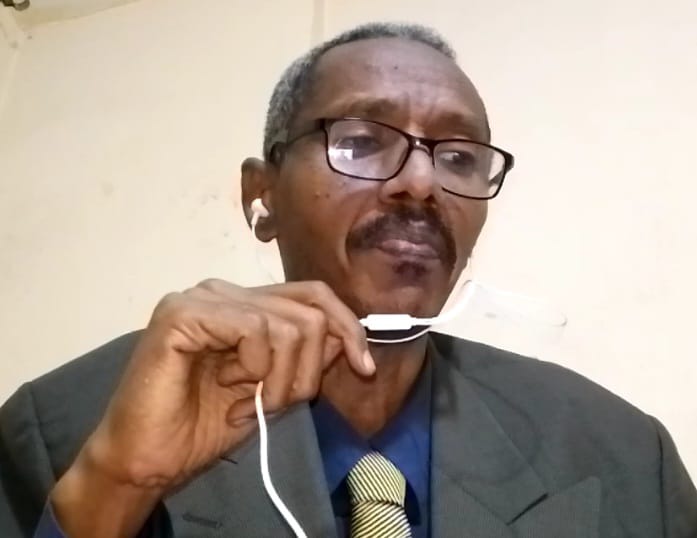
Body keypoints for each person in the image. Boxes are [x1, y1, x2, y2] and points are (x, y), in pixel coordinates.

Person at [1, 22, 695, 538]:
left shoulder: (624, 456)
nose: (421, 182)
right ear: (261, 196)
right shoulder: (65, 429)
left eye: (458, 157)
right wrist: (113, 488)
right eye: (361, 142)